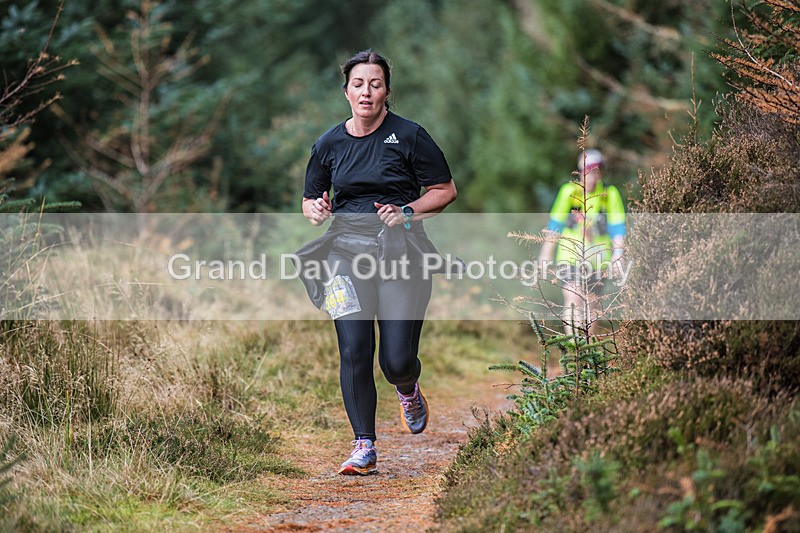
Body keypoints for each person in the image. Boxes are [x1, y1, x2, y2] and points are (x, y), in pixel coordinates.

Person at [296, 50, 457, 475]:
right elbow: (310, 198)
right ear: (346, 91)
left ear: (387, 90)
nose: (367, 92)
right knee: (354, 349)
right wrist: (314, 209)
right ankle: (363, 445)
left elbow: (444, 189)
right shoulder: (328, 143)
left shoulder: (409, 136)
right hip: (344, 256)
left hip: (401, 255)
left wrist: (407, 212)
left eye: (376, 84)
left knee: (396, 360)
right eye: (358, 84)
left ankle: (407, 387)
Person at [537, 149, 626, 336]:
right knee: (571, 296)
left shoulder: (609, 194)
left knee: (592, 304)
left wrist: (618, 254)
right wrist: (545, 254)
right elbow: (555, 225)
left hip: (598, 258)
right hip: (570, 255)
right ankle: (573, 346)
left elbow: (618, 227)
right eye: (587, 171)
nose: (591, 177)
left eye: (595, 171)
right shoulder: (569, 192)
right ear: (579, 172)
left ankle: (587, 348)